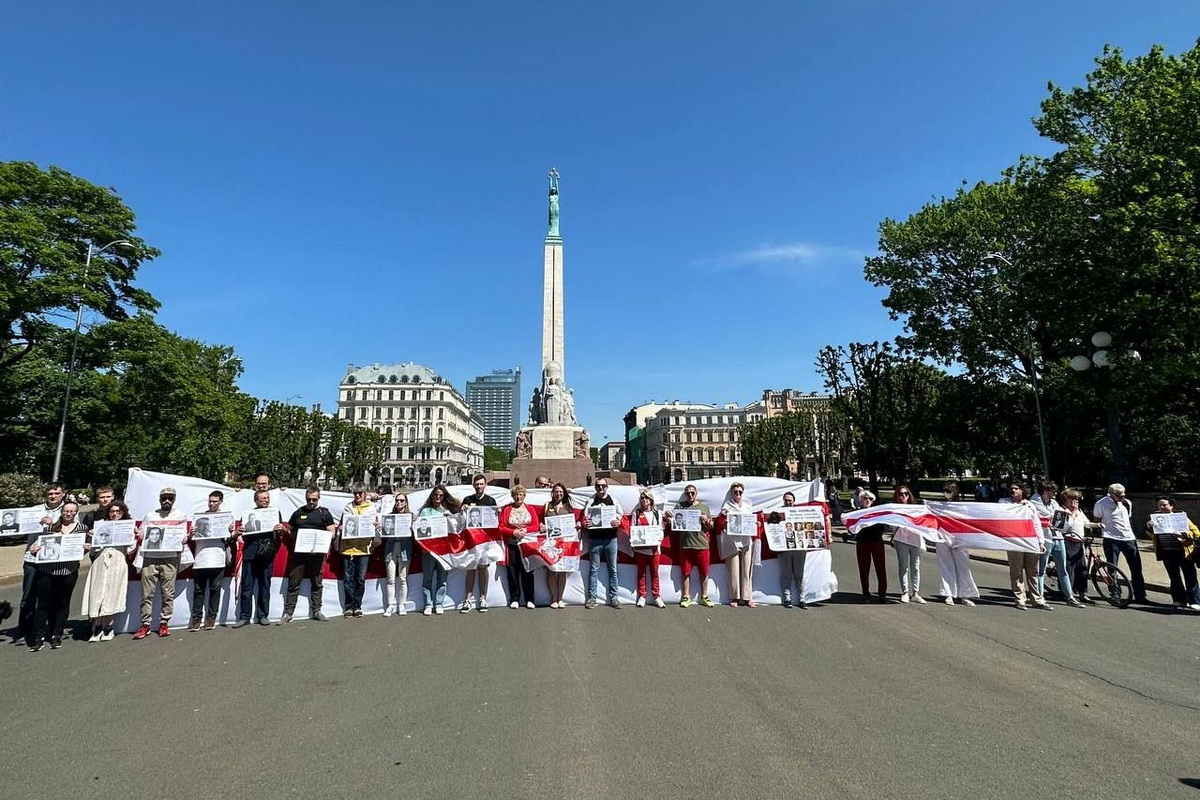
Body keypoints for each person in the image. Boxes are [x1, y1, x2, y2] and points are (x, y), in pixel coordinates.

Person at [25, 500, 84, 651]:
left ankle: (56, 634)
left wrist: (85, 548)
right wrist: (34, 548)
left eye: (72, 511)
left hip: (68, 571)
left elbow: (82, 551)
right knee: (43, 604)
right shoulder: (50, 527)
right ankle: (38, 637)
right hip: (47, 571)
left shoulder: (82, 529)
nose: (69, 513)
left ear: (76, 513)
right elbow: (37, 545)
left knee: (63, 604)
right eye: (66, 511)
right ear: (61, 512)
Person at [132, 487, 187, 639]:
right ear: (160, 499)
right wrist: (139, 534)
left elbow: (183, 535)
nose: (167, 501)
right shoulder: (150, 515)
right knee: (146, 593)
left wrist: (184, 538)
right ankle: (145, 624)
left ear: (174, 499)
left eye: (170, 498)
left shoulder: (181, 515)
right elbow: (142, 533)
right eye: (164, 498)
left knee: (167, 593)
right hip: (150, 557)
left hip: (170, 557)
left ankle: (164, 622)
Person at [17, 482, 65, 646]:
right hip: (32, 558)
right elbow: (20, 528)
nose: (53, 496)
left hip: (53, 560)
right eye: (50, 493)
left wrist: (53, 524)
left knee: (49, 597)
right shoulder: (34, 510)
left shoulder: (68, 510)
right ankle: (25, 631)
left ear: (63, 494)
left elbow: (72, 531)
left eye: (56, 493)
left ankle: (49, 631)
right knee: (28, 596)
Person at [280, 486, 336, 624]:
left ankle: (317, 610)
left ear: (319, 498)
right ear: (305, 498)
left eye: (314, 499)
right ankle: (288, 613)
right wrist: (284, 530)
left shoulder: (325, 513)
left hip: (317, 554)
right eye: (309, 499)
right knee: (293, 583)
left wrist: (321, 543)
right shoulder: (298, 512)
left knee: (317, 583)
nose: (311, 502)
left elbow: (332, 532)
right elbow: (290, 530)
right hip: (299, 555)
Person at [232, 489, 284, 627]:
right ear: (256, 500)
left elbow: (279, 535)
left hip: (267, 553)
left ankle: (263, 615)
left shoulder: (275, 513)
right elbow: (242, 534)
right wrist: (240, 531)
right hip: (250, 552)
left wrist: (280, 529)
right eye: (263, 498)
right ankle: (244, 617)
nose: (266, 500)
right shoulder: (247, 514)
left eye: (267, 498)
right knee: (247, 586)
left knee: (265, 586)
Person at [81, 500, 132, 641]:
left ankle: (109, 627)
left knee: (113, 593)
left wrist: (135, 536)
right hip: (100, 560)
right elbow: (93, 549)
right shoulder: (101, 524)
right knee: (97, 592)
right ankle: (96, 626)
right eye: (112, 511)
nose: (115, 514)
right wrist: (92, 537)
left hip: (118, 560)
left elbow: (130, 549)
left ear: (123, 513)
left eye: (118, 511)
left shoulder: (127, 526)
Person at [1093, 483, 1148, 603]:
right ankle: (1115, 593)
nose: (1122, 497)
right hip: (1111, 538)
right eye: (1119, 496)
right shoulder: (1101, 504)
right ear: (1111, 494)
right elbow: (1097, 520)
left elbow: (1127, 519)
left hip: (1128, 538)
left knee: (1136, 567)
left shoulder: (1127, 503)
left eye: (1123, 495)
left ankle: (1140, 595)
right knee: (1112, 567)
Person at [1001, 482, 1051, 611]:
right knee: (1016, 571)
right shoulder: (1004, 502)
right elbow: (1003, 514)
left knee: (1032, 572)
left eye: (1016, 489)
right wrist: (1017, 507)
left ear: (1022, 491)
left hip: (1030, 541)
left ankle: (1037, 599)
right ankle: (1020, 599)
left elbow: (1036, 524)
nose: (1013, 491)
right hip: (1015, 541)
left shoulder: (1030, 505)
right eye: (1011, 489)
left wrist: (1041, 542)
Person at [1031, 481, 1082, 608]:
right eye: (1052, 491)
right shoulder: (1035, 501)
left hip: (1058, 537)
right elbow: (1045, 515)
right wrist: (1058, 516)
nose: (1055, 493)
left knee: (1062, 568)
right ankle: (1040, 597)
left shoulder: (1053, 503)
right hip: (1045, 538)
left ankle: (1069, 596)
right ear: (1044, 491)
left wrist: (1060, 516)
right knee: (1041, 569)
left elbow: (1059, 517)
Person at [1146, 496, 1200, 611]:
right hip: (1167, 551)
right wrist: (1149, 528)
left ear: (1171, 506)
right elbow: (1153, 536)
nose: (1161, 507)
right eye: (1159, 505)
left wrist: (1183, 534)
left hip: (1184, 551)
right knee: (1174, 577)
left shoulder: (1181, 517)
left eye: (1164, 505)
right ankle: (1179, 600)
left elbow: (1196, 532)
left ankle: (1195, 601)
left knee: (1190, 576)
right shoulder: (1156, 518)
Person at [189, 491, 230, 631]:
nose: (212, 503)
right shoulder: (199, 518)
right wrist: (191, 533)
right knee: (198, 591)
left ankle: (211, 618)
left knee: (215, 590)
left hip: (218, 558)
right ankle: (196, 619)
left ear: (221, 502)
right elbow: (191, 537)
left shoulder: (226, 518)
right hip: (201, 558)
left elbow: (231, 538)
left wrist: (232, 532)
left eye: (215, 501)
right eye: (210, 501)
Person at [934, 482, 979, 607]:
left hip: (960, 539)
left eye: (949, 491)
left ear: (955, 492)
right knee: (946, 567)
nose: (946, 493)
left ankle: (965, 595)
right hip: (943, 538)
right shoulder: (939, 506)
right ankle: (948, 594)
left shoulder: (962, 507)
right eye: (945, 491)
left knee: (963, 568)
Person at [582, 479, 624, 609]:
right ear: (595, 487)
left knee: (613, 570)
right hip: (595, 539)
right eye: (598, 486)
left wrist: (618, 521)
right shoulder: (590, 501)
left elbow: (621, 515)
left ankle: (614, 598)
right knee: (593, 570)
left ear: (607, 487)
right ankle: (592, 598)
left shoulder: (613, 500)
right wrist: (585, 523)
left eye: (603, 486)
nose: (601, 488)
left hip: (611, 539)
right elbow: (585, 518)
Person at [459, 474, 498, 613]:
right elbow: (461, 521)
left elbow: (495, 522)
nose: (479, 486)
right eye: (477, 484)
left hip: (484, 541)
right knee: (471, 568)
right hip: (470, 540)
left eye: (481, 484)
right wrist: (462, 510)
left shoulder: (490, 500)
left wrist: (497, 513)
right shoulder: (467, 500)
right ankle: (468, 599)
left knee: (483, 568)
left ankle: (483, 598)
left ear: (485, 485)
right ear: (473, 485)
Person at [418, 485, 460, 615]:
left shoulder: (447, 511)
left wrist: (450, 518)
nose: (438, 497)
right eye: (436, 495)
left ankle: (439, 603)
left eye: (441, 495)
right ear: (432, 495)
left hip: (443, 550)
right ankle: (428, 604)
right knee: (428, 578)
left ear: (444, 497)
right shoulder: (425, 511)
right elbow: (420, 529)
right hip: (429, 550)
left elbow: (456, 528)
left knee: (442, 578)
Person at [672, 484, 714, 608]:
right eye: (687, 493)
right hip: (685, 544)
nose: (690, 495)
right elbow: (674, 523)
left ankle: (704, 596)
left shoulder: (704, 507)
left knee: (704, 572)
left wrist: (706, 520)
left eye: (692, 493)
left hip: (701, 544)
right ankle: (686, 596)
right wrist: (669, 519)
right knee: (685, 572)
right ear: (685, 495)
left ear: (696, 494)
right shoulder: (680, 506)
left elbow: (711, 526)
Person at [337, 483, 375, 618]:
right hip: (347, 548)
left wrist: (376, 526)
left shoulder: (371, 508)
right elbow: (343, 524)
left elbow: (374, 525)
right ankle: (348, 606)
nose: (357, 496)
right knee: (347, 579)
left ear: (365, 494)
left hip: (364, 549)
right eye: (355, 493)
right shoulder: (348, 507)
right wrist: (340, 528)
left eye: (360, 493)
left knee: (360, 579)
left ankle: (357, 606)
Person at [1059, 489, 1101, 605]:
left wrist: (1097, 525)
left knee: (1082, 569)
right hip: (1067, 541)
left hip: (1079, 542)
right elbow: (1061, 528)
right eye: (1072, 499)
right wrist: (1071, 515)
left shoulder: (1080, 511)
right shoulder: (1062, 511)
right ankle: (1068, 593)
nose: (1075, 502)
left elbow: (1086, 523)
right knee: (1069, 568)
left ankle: (1082, 593)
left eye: (1076, 499)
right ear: (1065, 500)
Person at [499, 486, 538, 609]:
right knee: (512, 572)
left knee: (528, 571)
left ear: (524, 496)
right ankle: (514, 598)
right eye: (516, 495)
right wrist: (513, 532)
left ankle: (530, 599)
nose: (519, 497)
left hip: (527, 545)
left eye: (521, 494)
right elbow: (501, 526)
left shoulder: (530, 509)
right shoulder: (507, 510)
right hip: (512, 544)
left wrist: (526, 530)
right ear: (513, 496)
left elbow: (536, 525)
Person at [541, 483, 578, 608]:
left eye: (561, 492)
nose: (558, 494)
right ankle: (553, 597)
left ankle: (560, 597)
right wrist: (542, 526)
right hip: (550, 543)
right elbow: (541, 522)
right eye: (556, 492)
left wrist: (577, 525)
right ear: (553, 493)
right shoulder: (547, 506)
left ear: (564, 493)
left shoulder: (568, 507)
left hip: (564, 543)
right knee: (551, 570)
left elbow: (573, 523)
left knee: (562, 570)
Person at [720, 482, 757, 607]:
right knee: (733, 570)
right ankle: (734, 597)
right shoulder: (726, 506)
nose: (738, 494)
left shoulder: (747, 506)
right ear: (731, 493)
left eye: (740, 492)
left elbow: (751, 521)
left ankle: (747, 597)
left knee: (747, 570)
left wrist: (755, 525)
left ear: (743, 493)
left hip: (746, 540)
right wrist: (724, 522)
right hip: (732, 541)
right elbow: (720, 522)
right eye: (735, 492)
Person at [628, 490, 665, 608]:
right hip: (641, 548)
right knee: (641, 573)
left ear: (651, 500)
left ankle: (656, 596)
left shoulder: (658, 513)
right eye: (642, 498)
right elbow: (632, 529)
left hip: (654, 548)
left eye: (647, 498)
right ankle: (642, 596)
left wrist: (658, 538)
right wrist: (633, 540)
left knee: (655, 573)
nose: (644, 500)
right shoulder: (637, 513)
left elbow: (661, 530)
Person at [890, 485, 926, 605]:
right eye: (901, 494)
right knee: (903, 566)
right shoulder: (895, 508)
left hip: (915, 539)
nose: (903, 496)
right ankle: (905, 591)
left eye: (906, 494)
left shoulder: (915, 508)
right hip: (901, 539)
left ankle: (915, 593)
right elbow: (891, 523)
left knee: (915, 567)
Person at [771, 492, 807, 608]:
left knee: (799, 574)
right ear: (783, 501)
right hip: (784, 548)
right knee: (786, 574)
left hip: (799, 548)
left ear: (794, 501)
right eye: (786, 500)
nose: (788, 502)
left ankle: (802, 598)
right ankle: (787, 598)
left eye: (790, 500)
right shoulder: (777, 513)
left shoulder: (800, 513)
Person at [380, 493, 413, 616]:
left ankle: (402, 605)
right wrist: (380, 527)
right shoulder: (389, 517)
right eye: (397, 500)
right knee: (390, 579)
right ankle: (390, 605)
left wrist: (414, 526)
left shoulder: (411, 516)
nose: (399, 503)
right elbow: (384, 532)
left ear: (406, 502)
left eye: (402, 500)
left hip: (405, 548)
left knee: (403, 578)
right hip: (390, 548)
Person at [854, 491, 889, 602]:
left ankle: (882, 594)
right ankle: (866, 594)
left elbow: (882, 526)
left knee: (881, 568)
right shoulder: (857, 513)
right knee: (864, 569)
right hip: (863, 543)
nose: (867, 500)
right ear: (861, 499)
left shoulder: (877, 512)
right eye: (865, 498)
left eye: (870, 498)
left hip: (876, 542)